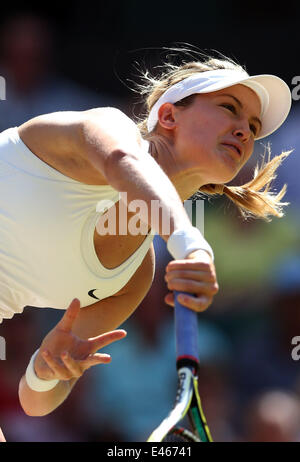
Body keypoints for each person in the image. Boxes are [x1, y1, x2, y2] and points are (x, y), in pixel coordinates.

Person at [0, 52, 292, 441]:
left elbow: (34, 401)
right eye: (229, 108)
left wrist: (46, 369)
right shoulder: (108, 126)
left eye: (253, 127)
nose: (245, 131)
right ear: (168, 116)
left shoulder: (135, 278)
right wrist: (190, 243)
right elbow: (124, 160)